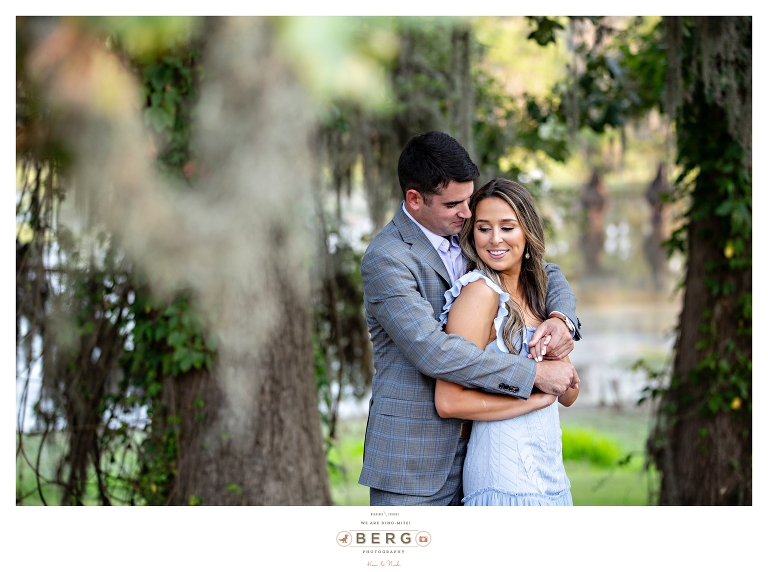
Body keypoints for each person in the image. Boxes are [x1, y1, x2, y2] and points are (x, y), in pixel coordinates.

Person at [358, 131, 581, 506]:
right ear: (414, 199)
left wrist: (561, 318)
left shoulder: (469, 236)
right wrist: (533, 376)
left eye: (468, 199)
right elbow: (433, 351)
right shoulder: (388, 258)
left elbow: (544, 272)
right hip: (415, 459)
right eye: (454, 204)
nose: (467, 212)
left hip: (484, 449)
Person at [435, 178, 579, 505]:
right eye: (484, 228)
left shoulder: (538, 296)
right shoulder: (479, 293)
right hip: (503, 481)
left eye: (507, 227)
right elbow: (449, 401)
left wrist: (559, 345)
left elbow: (569, 394)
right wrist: (529, 398)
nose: (495, 239)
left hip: (551, 477)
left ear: (527, 233)